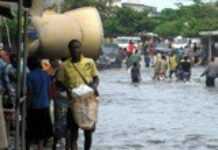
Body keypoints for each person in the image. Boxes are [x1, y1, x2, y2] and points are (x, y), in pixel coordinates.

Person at [56, 39, 99, 150]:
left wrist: (93, 87)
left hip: (88, 102)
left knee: (88, 131)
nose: (75, 50)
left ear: (81, 49)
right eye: (73, 48)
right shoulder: (64, 66)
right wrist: (67, 90)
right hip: (73, 102)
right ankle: (74, 147)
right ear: (69, 50)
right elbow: (58, 83)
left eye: (77, 47)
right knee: (73, 131)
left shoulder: (89, 62)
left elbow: (96, 78)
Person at [26, 56, 53, 150]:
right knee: (42, 131)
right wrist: (48, 102)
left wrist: (26, 105)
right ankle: (40, 147)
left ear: (29, 65)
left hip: (34, 106)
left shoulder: (29, 76)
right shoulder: (46, 75)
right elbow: (50, 90)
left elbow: (29, 92)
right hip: (45, 105)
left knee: (31, 129)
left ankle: (28, 147)